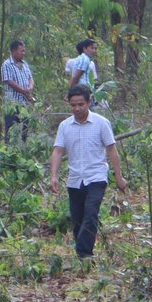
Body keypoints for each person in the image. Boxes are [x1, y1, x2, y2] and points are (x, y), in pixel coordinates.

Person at [46, 84, 126, 259]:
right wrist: (53, 176)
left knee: (91, 213)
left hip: (96, 176)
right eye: (73, 105)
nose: (77, 108)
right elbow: (58, 151)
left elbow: (112, 150)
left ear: (89, 102)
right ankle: (82, 255)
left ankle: (84, 255)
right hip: (75, 179)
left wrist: (118, 177)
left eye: (80, 104)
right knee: (77, 219)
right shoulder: (65, 126)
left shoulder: (101, 123)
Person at [0, 39, 36, 142]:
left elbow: (30, 78)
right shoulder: (7, 65)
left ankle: (22, 149)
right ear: (13, 51)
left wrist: (29, 88)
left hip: (25, 104)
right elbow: (8, 81)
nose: (23, 53)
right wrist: (23, 91)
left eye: (24, 51)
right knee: (10, 130)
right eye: (21, 51)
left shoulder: (25, 64)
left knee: (24, 129)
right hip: (12, 104)